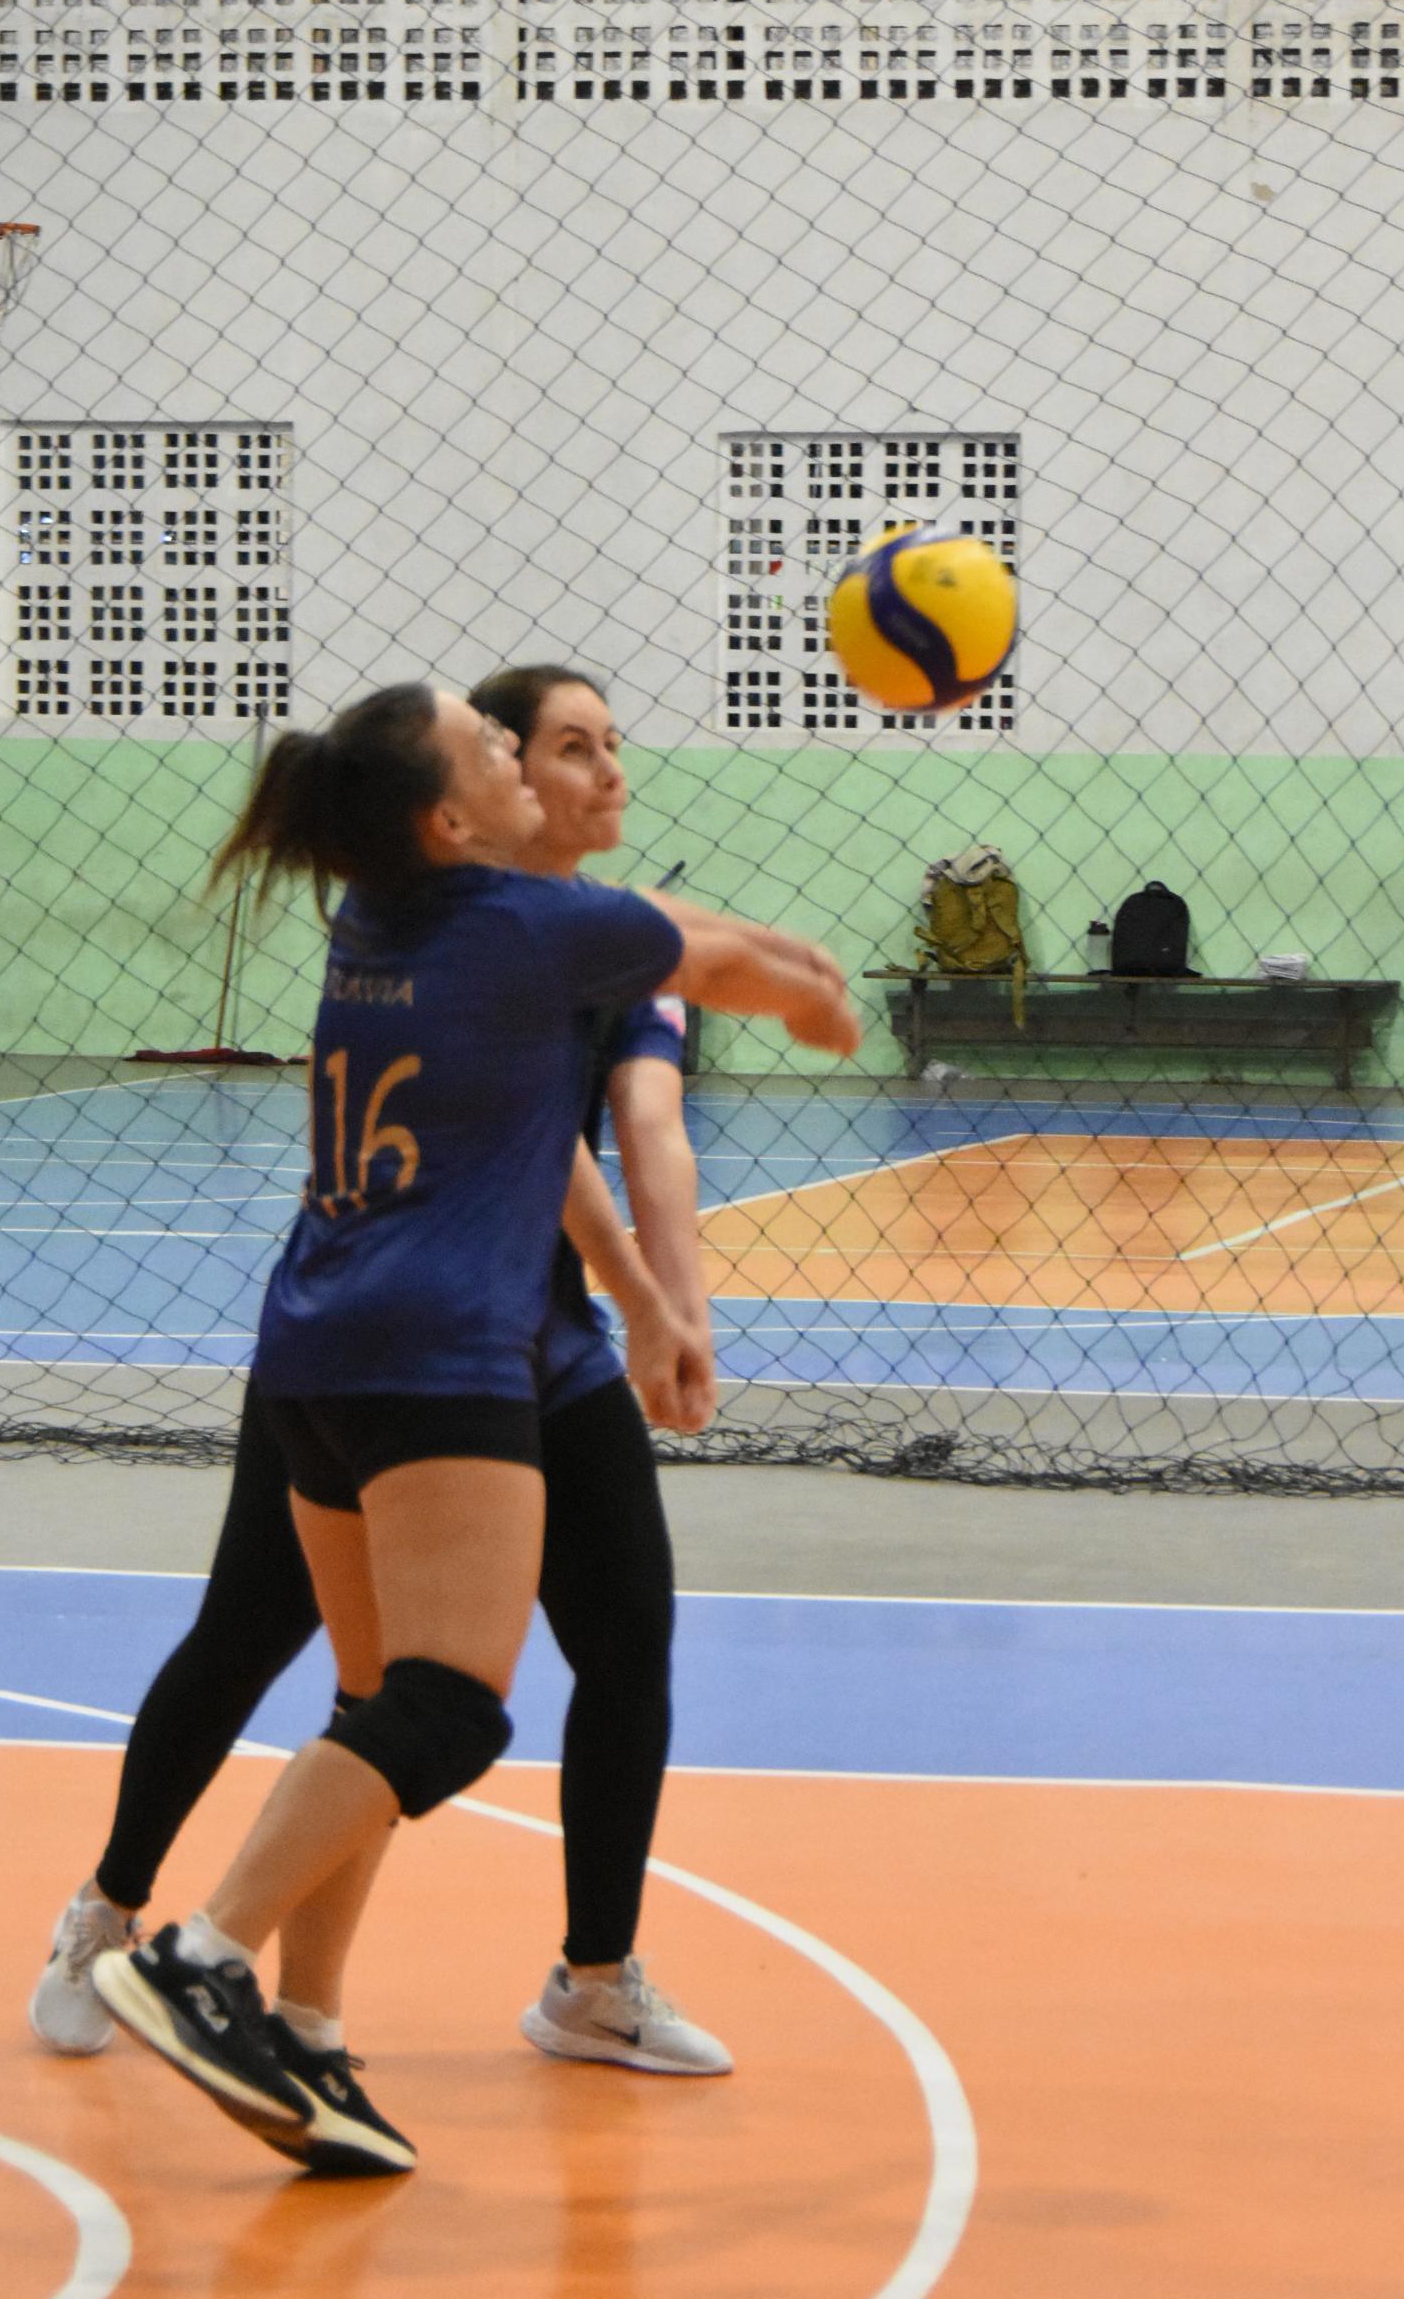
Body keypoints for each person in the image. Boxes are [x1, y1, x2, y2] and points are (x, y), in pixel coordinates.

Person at [87, 681, 858, 2174]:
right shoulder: (527, 929)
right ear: (449, 817)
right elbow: (724, 962)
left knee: (373, 1703)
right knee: (452, 1706)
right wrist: (820, 997)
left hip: (312, 1350)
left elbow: (629, 995)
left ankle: (306, 2033)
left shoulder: (380, 920)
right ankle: (201, 1954)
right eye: (496, 743)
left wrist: (641, 1289)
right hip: (437, 1358)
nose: (514, 750)